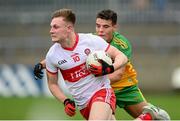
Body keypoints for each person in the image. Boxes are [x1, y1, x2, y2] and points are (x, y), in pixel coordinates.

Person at [34, 9, 170, 120]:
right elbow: (65, 59)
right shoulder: (57, 52)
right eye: (98, 26)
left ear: (114, 27)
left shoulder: (110, 43)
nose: (100, 30)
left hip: (122, 87)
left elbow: (118, 73)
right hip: (84, 101)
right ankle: (145, 118)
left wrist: (103, 72)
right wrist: (41, 64)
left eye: (105, 26)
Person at [41, 8, 128, 120]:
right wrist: (65, 101)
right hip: (83, 105)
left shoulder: (91, 41)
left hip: (101, 92)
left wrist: (110, 68)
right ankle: (147, 117)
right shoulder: (52, 55)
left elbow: (122, 57)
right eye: (51, 27)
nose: (51, 31)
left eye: (55, 27)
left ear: (69, 28)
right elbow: (52, 84)